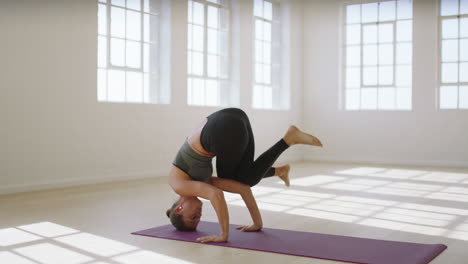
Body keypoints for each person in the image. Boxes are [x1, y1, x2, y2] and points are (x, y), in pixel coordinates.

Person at [167, 108, 322, 243]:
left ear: (179, 209)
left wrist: (223, 234)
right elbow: (244, 189)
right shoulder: (198, 182)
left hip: (222, 129)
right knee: (243, 176)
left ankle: (288, 140)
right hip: (236, 117)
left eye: (192, 217)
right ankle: (283, 156)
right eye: (198, 220)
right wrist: (257, 224)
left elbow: (216, 195)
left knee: (239, 176)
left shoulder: (179, 185)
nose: (198, 216)